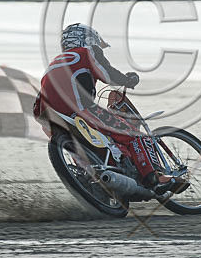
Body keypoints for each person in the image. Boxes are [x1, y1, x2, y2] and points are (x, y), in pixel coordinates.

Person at [33, 23, 162, 190]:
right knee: (134, 135)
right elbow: (107, 74)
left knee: (90, 149)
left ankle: (94, 182)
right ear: (86, 39)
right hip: (80, 110)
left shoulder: (53, 63)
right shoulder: (86, 52)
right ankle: (155, 177)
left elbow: (39, 102)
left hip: (49, 117)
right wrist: (127, 80)